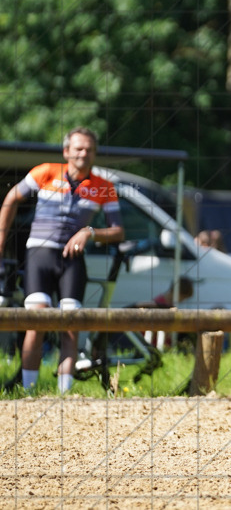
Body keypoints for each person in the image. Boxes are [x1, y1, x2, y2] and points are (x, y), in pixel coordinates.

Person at [0, 127, 124, 393]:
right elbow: (11, 198)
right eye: (78, 148)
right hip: (39, 255)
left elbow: (118, 231)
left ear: (95, 153)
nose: (84, 154)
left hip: (73, 260)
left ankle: (64, 396)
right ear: (66, 151)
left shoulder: (104, 186)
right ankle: (29, 392)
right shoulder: (45, 171)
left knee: (71, 325)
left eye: (89, 149)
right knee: (38, 322)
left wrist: (90, 232)